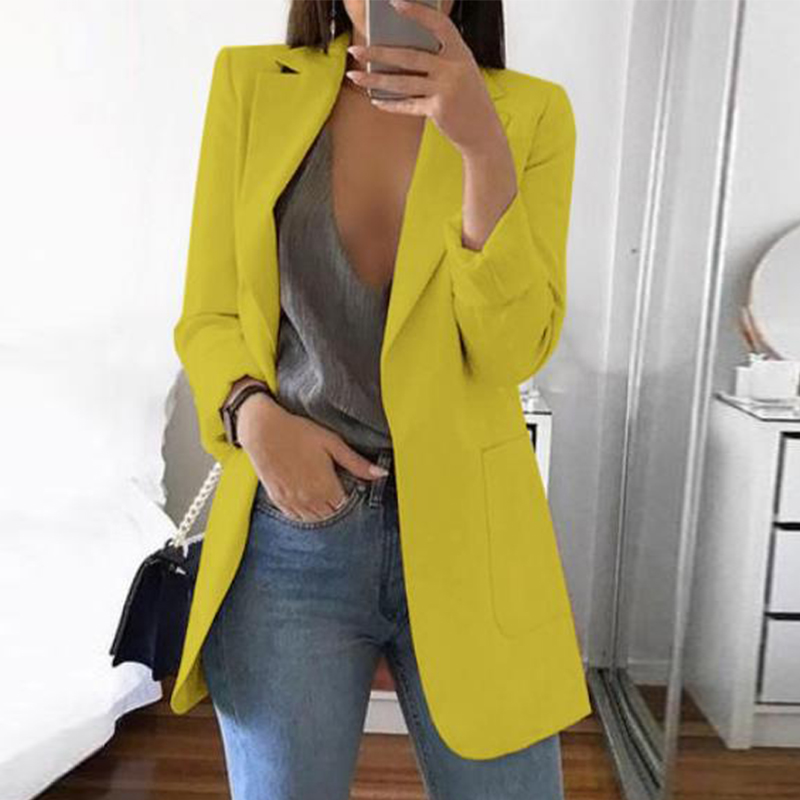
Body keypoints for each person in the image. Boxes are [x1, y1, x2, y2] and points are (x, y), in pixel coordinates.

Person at [174, 0, 586, 797]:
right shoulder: (252, 85)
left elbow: (512, 350)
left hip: (471, 532)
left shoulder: (530, 112)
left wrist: (481, 147)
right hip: (293, 527)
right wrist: (253, 414)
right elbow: (210, 313)